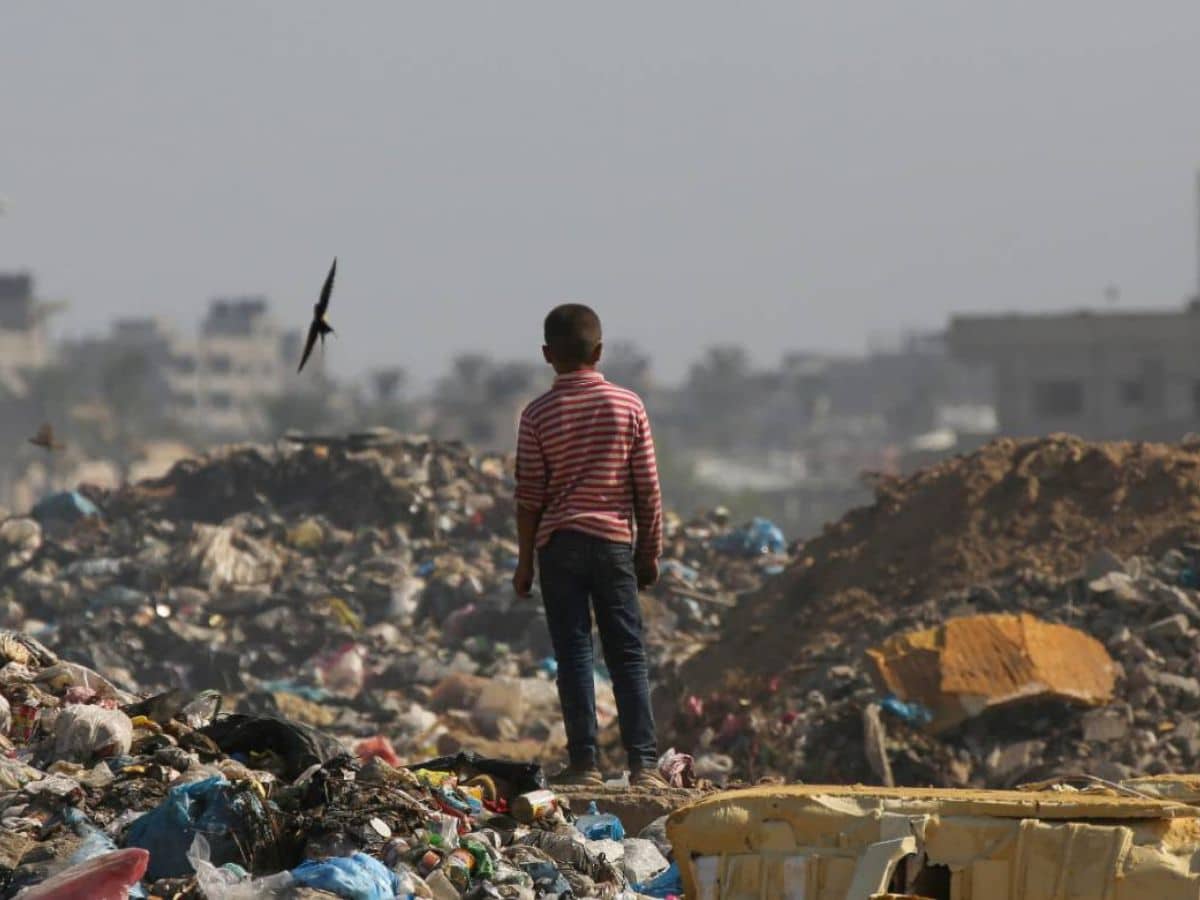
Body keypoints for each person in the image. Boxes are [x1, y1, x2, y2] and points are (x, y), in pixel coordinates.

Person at [512, 303, 666, 787]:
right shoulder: (628, 405)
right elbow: (647, 488)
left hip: (558, 547)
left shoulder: (536, 414)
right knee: (627, 654)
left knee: (575, 654)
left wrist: (524, 564)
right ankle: (643, 763)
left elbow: (529, 497)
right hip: (614, 544)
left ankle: (585, 764)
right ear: (598, 351)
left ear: (546, 355)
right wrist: (649, 553)